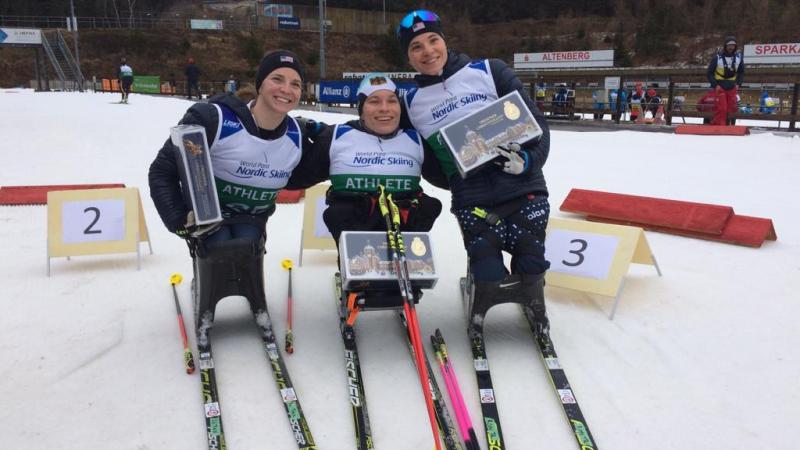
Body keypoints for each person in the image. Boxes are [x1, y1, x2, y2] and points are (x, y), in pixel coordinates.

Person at [396, 10, 551, 329]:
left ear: (444, 41)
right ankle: (482, 307)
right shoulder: (411, 103)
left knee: (532, 265)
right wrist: (459, 177)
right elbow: (429, 165)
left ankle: (535, 303)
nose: (428, 52)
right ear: (408, 57)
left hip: (525, 190)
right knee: (488, 272)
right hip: (474, 201)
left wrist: (528, 163)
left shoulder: (489, 71)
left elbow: (539, 128)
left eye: (433, 40)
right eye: (416, 47)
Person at [149, 50, 322, 319]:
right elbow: (162, 171)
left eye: (295, 84)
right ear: (260, 84)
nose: (286, 89)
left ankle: (253, 295)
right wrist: (177, 220)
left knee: (247, 244)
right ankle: (207, 292)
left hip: (251, 220)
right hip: (207, 219)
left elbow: (335, 154)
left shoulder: (297, 135)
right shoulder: (215, 120)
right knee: (217, 245)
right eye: (277, 79)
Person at [290, 73, 443, 248]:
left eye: (392, 100)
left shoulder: (416, 139)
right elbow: (295, 178)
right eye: (374, 101)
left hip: (410, 250)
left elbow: (447, 177)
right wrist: (292, 142)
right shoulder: (336, 137)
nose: (384, 108)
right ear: (361, 110)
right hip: (357, 254)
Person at [707, 35, 744, 126]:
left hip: (732, 87)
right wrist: (715, 85)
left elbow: (741, 72)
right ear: (725, 46)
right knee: (722, 108)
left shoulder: (739, 58)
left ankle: (730, 126)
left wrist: (738, 83)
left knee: (732, 108)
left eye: (733, 45)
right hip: (720, 87)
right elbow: (709, 73)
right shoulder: (717, 58)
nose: (731, 47)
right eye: (729, 45)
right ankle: (718, 125)